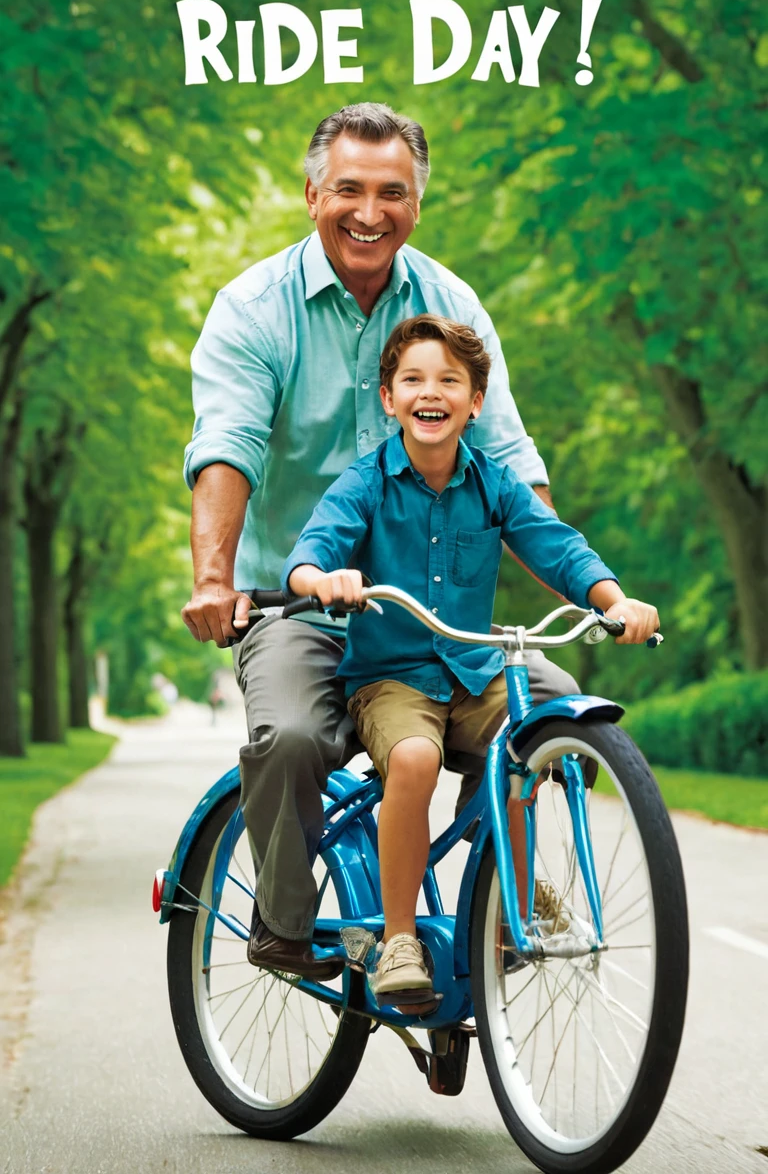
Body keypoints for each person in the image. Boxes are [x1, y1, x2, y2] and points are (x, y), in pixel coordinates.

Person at [181, 102, 582, 982]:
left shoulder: (450, 303)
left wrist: (562, 588)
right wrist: (215, 578)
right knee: (287, 736)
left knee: (546, 701)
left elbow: (509, 457)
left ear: (417, 203)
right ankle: (285, 923)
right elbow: (228, 446)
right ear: (312, 193)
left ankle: (498, 897)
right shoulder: (254, 309)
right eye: (349, 190)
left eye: (391, 192)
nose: (370, 212)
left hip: (428, 614)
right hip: (300, 603)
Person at [283, 315, 659, 1007]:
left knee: (534, 734)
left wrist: (615, 600)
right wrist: (323, 580)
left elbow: (556, 546)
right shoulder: (365, 483)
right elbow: (313, 549)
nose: (432, 392)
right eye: (414, 380)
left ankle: (508, 883)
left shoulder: (494, 484)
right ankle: (399, 937)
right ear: (390, 399)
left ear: (475, 401)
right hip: (391, 681)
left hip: (469, 671)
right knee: (416, 760)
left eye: (450, 380)